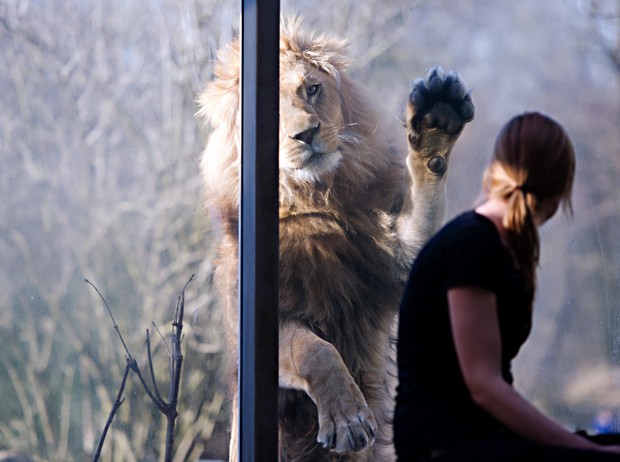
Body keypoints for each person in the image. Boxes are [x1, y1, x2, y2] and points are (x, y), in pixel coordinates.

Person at [394, 112, 620, 461]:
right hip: (443, 443)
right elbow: (485, 386)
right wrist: (578, 445)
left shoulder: (490, 244)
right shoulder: (473, 244)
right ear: (558, 187)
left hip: (469, 435)